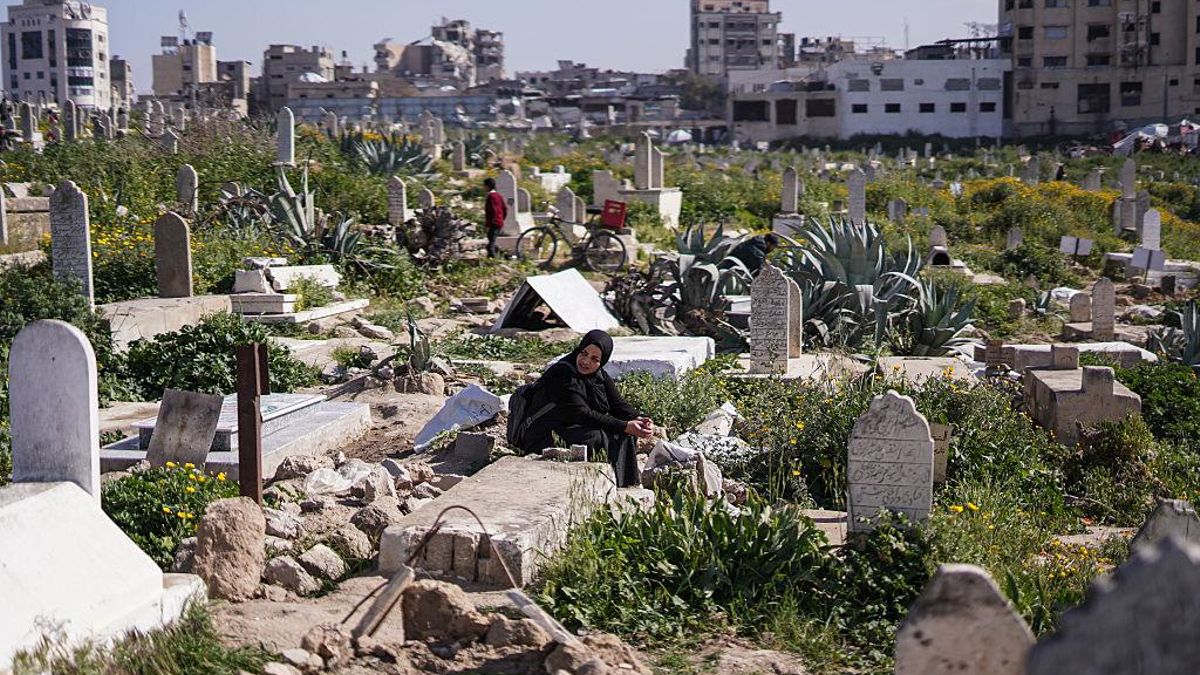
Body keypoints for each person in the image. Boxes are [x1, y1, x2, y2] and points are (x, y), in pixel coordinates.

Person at [520, 330, 654, 487]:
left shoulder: (598, 375)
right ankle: (595, 484)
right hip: (545, 434)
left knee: (625, 432)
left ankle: (623, 484)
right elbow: (581, 413)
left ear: (602, 361)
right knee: (597, 436)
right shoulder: (564, 374)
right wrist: (625, 426)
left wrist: (639, 419)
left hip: (569, 426)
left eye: (594, 359)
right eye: (584, 353)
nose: (586, 361)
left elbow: (617, 404)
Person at [483, 177, 507, 258]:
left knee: (490, 244)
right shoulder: (499, 196)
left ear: (488, 186)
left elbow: (490, 212)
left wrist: (487, 225)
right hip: (499, 222)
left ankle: (493, 260)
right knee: (492, 242)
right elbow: (505, 209)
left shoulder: (490, 197)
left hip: (493, 223)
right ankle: (500, 256)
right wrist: (501, 219)